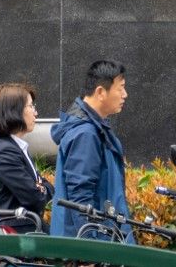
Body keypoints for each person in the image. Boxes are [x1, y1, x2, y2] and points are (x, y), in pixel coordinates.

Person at [49, 60, 130, 240]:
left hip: (103, 238)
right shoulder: (85, 134)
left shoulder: (93, 128)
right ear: (101, 92)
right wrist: (89, 251)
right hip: (94, 247)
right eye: (121, 88)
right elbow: (80, 198)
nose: (125, 94)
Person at [0, 82, 54, 233]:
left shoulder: (17, 148)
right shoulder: (6, 152)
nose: (35, 113)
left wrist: (41, 187)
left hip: (25, 233)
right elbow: (35, 199)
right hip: (12, 238)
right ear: (13, 111)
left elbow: (42, 188)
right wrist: (41, 187)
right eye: (30, 106)